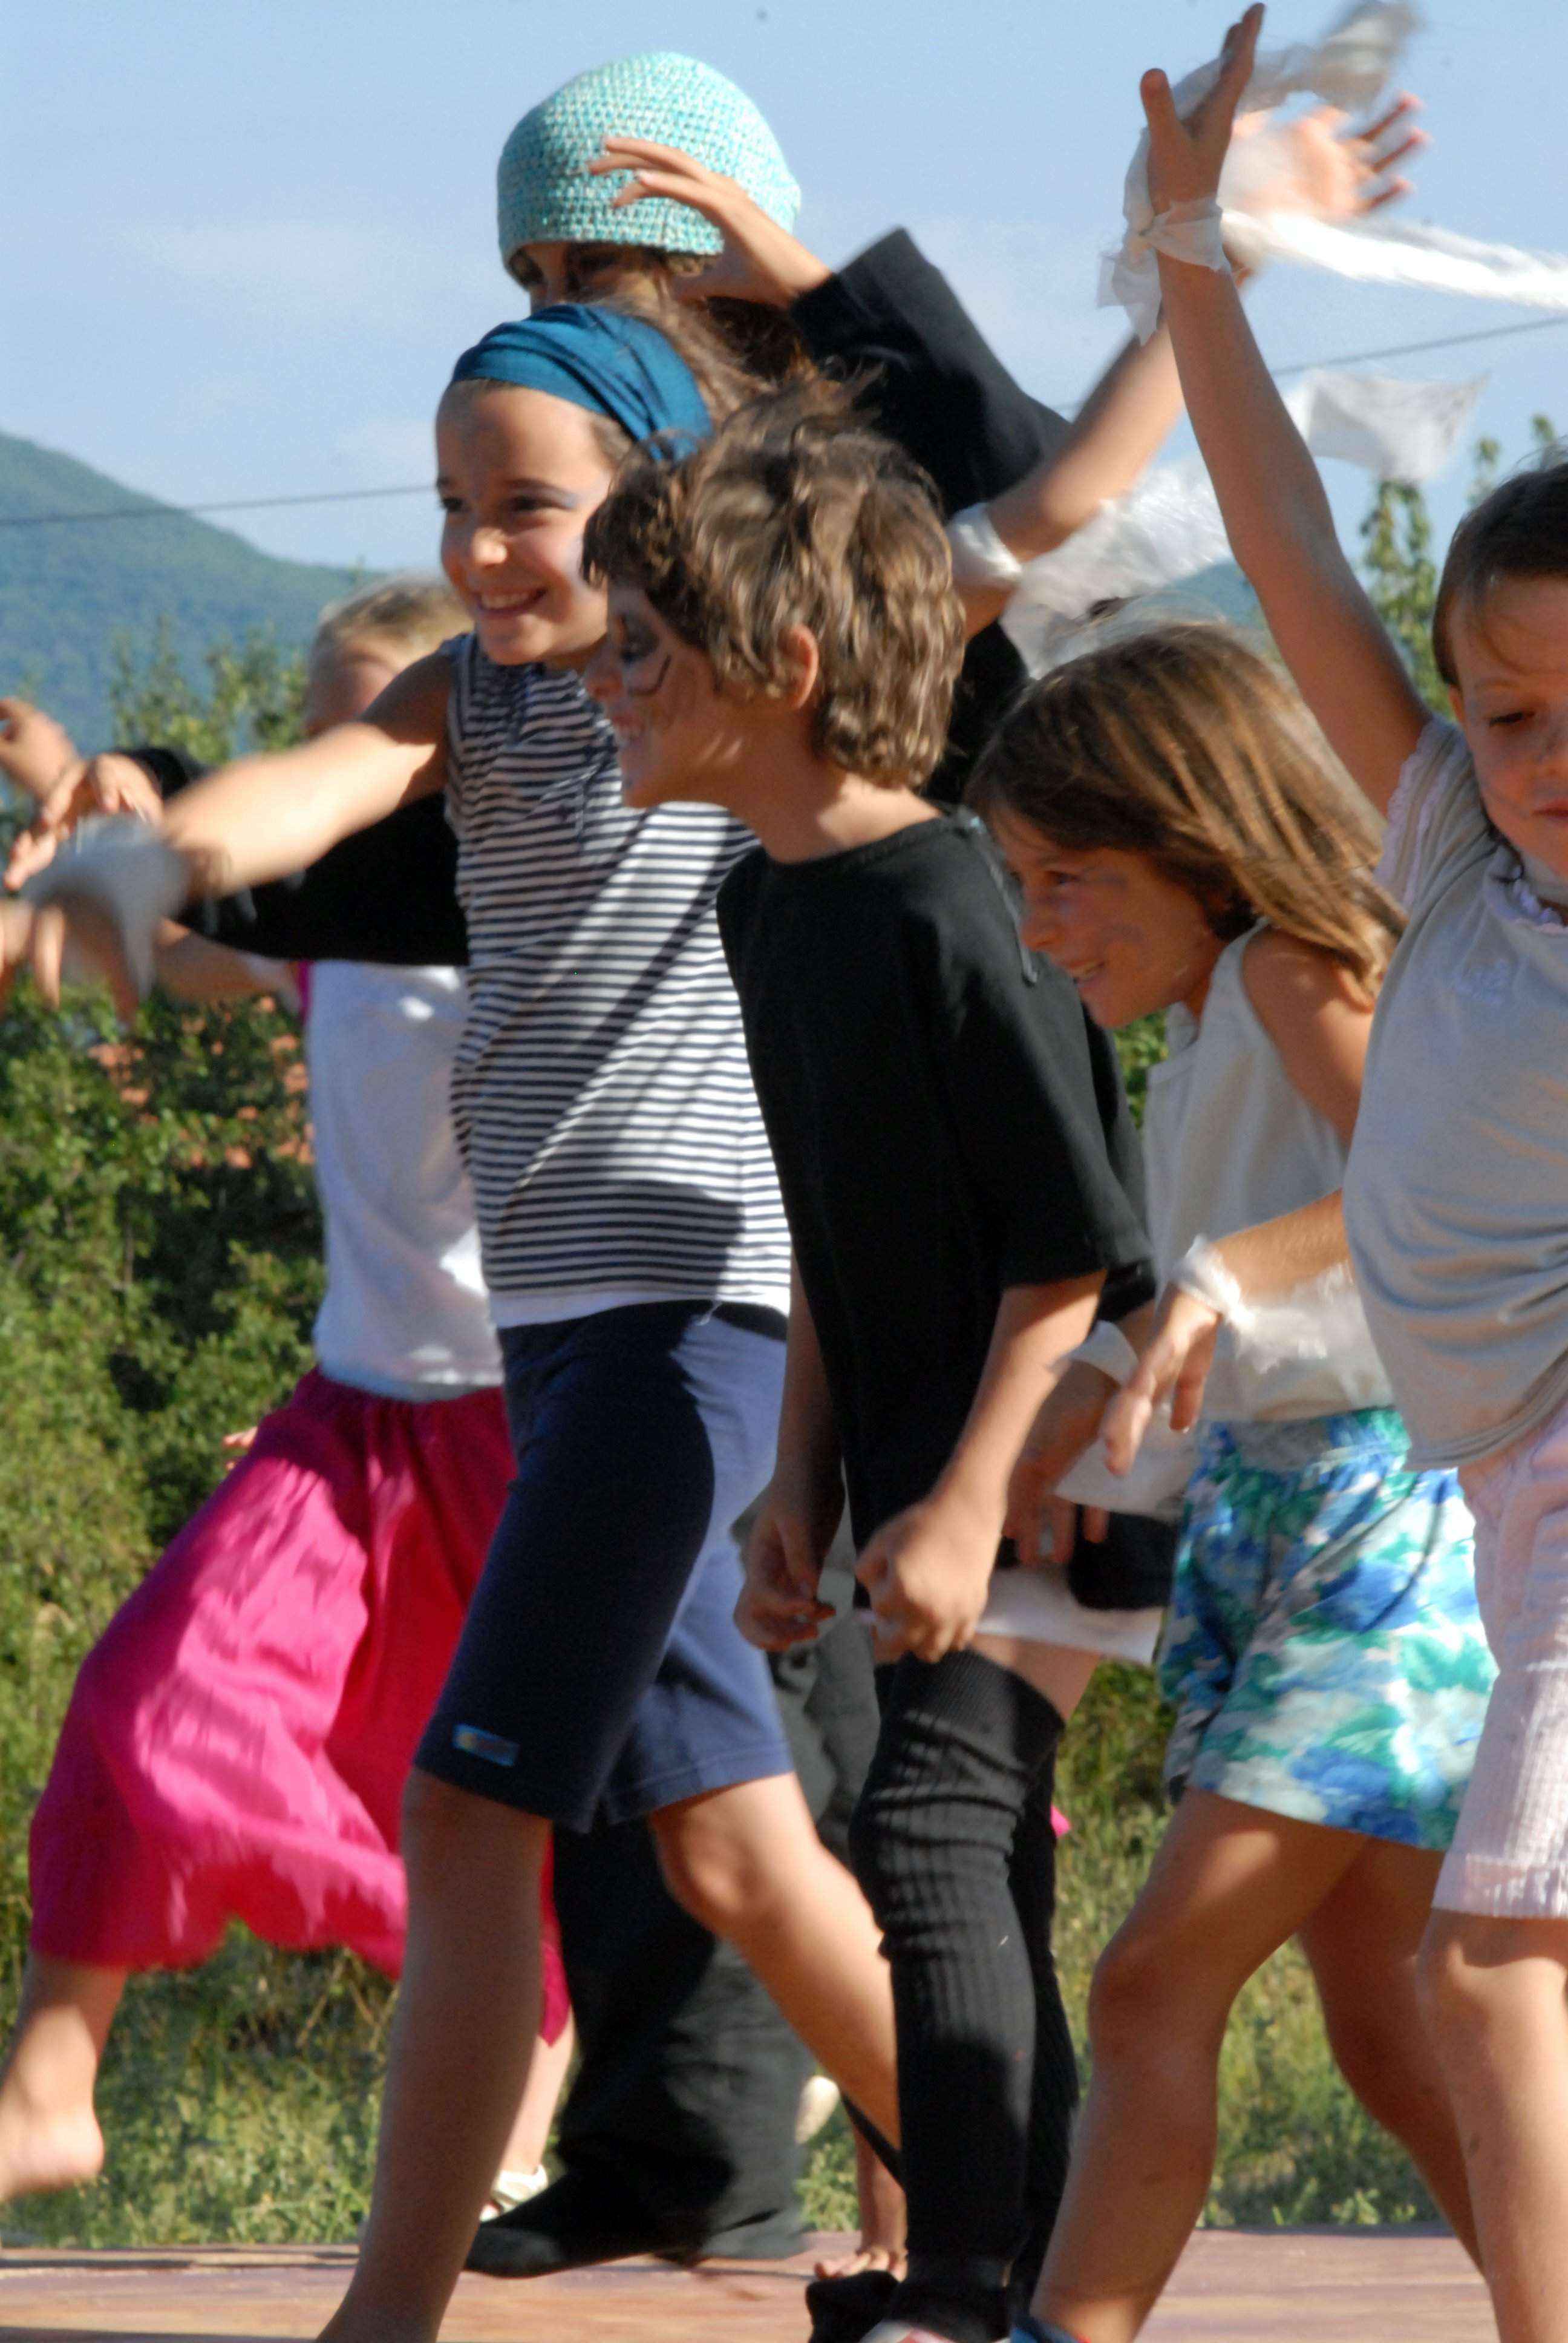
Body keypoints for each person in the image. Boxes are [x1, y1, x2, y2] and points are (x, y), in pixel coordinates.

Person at [11, 298, 913, 2343]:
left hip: (688, 1314)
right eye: (452, 505)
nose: (481, 547)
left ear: (654, 504)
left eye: (525, 505)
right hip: (561, 1340)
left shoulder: (714, 695)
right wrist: (158, 856)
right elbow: (315, 788)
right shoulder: (472, 697)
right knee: (732, 1853)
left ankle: (385, 2322)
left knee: (465, 1810)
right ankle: (1018, 2203)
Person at [580, 385, 1160, 2343]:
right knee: (953, 1850)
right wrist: (802, 1485)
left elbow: (1073, 1242)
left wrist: (975, 1495)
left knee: (931, 1828)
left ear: (787, 663)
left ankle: (975, 2287)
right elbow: (831, 1231)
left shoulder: (948, 900)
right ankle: (1025, 2274)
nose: (603, 683)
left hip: (1060, 1448)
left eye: (639, 649)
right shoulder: (764, 902)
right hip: (919, 1465)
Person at [1106, 11, 1568, 2338]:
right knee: (1481, 1970)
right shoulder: (1458, 857)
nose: (1545, 754)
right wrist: (1195, 260)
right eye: (1511, 710)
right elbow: (1285, 548)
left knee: (1497, 1963)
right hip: (1492, 1491)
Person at [0, 582, 572, 2218]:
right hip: (352, 1425)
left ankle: (522, 2141)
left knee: (543, 1808)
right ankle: (49, 2089)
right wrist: (78, 800)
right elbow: (156, 946)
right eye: (320, 735)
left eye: (374, 739)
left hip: (526, 1430)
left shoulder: (525, 926)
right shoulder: (321, 940)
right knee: (140, 1699)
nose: (337, 765)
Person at [965, 615, 1492, 2343]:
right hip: (1279, 1523)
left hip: (1380, 1530)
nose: (1040, 929)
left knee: (1151, 1982)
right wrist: (1081, 1403)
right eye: (1022, 887)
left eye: (1069, 879)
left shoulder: (1287, 969)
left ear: (1198, 841)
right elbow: (1223, 1289)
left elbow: (1417, 1185)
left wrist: (1213, 1279)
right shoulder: (1207, 1022)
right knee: (1394, 2031)